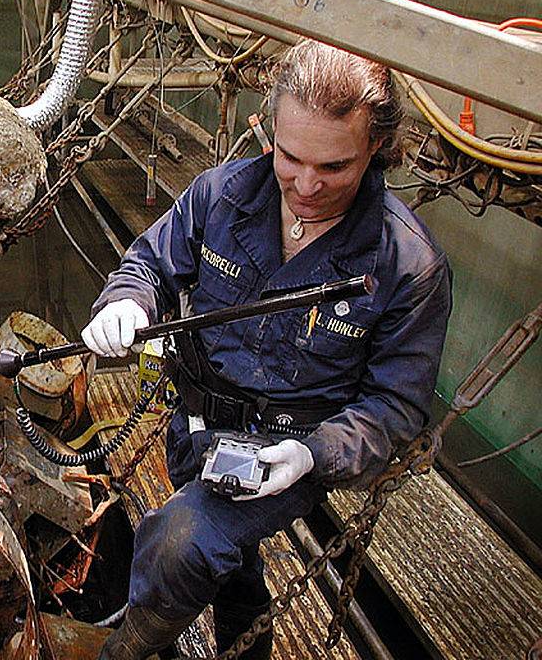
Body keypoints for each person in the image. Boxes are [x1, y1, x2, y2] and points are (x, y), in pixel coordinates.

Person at [80, 40, 452, 660]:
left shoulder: (406, 265)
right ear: (268, 130)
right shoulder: (222, 194)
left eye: (334, 167)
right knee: (230, 564)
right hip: (196, 425)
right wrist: (127, 301)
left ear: (376, 149)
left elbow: (394, 407)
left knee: (182, 543)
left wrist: (313, 456)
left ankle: (126, 650)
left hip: (286, 449)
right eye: (290, 157)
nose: (306, 185)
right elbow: (149, 260)